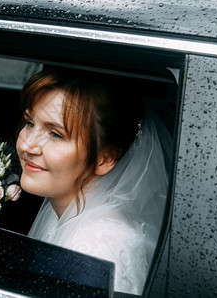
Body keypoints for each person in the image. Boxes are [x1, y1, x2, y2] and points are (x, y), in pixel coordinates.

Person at [16, 68, 172, 295]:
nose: (27, 145)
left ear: (105, 159)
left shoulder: (99, 249)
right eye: (30, 123)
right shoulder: (66, 208)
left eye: (56, 134)